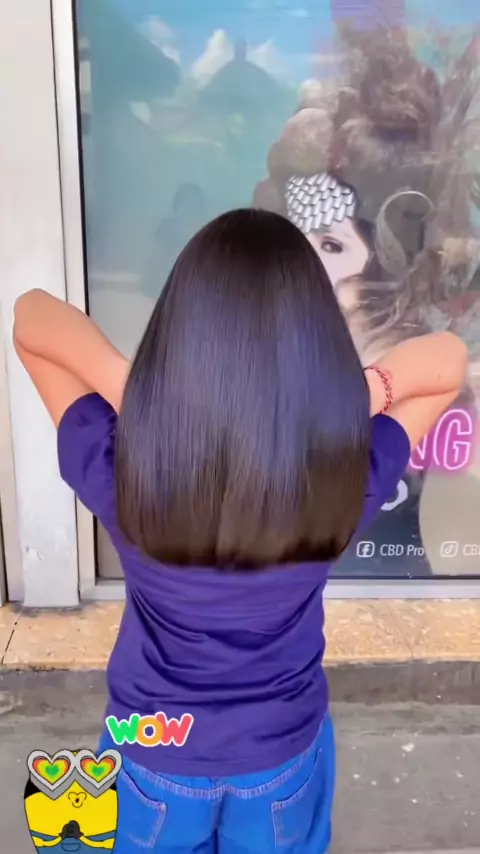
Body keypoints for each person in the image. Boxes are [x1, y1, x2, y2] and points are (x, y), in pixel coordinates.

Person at [14, 209, 467, 853]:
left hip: (154, 756)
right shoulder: (343, 476)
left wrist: (148, 397)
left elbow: (31, 319)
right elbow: (447, 361)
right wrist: (337, 404)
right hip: (279, 757)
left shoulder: (125, 471)